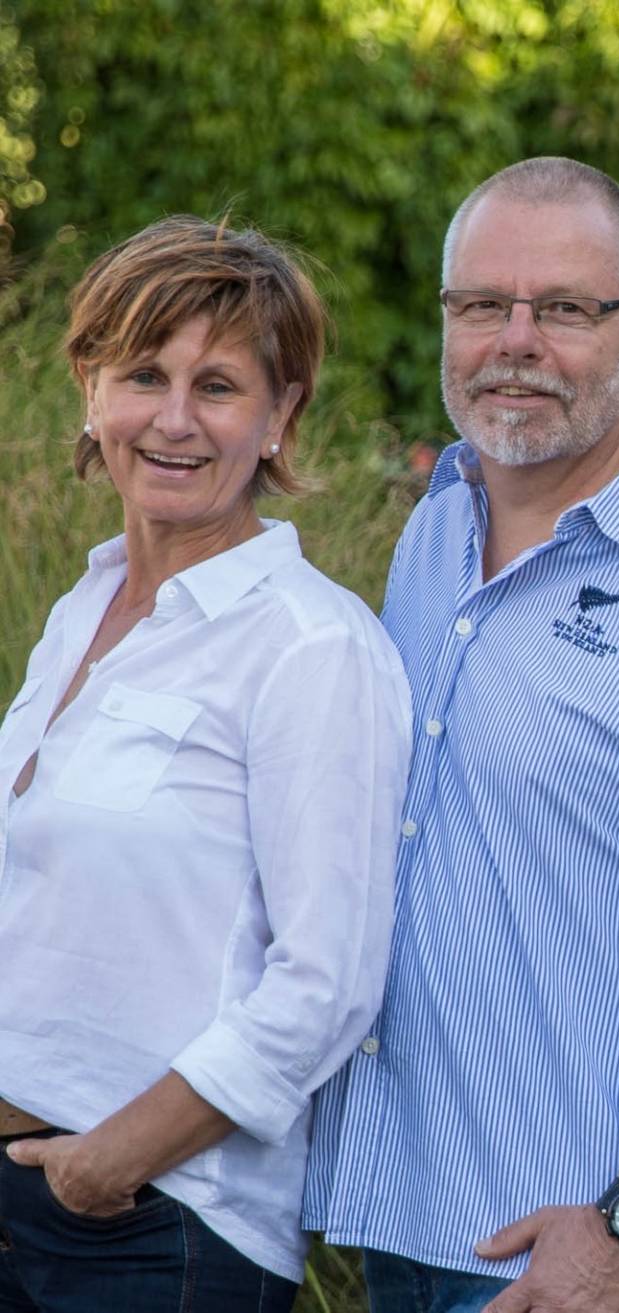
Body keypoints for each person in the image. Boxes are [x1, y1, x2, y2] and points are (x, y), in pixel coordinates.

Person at [301, 158, 619, 1313]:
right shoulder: (435, 533)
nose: (516, 340)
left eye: (566, 309)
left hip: (579, 1259)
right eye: (482, 305)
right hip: (398, 1215)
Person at [0, 216, 410, 1311]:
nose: (174, 420)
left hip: (152, 1230)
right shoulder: (82, 606)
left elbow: (327, 982)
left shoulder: (313, 646)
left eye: (219, 386)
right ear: (91, 389)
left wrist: (112, 1160)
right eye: (144, 374)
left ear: (281, 416)